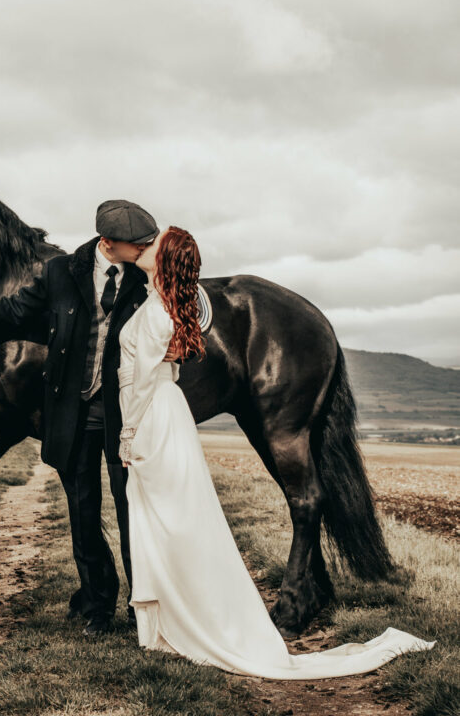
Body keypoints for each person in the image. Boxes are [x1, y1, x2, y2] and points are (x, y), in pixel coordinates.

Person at [117, 225, 436, 679]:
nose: (144, 245)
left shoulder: (158, 311)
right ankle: (181, 613)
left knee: (171, 516)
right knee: (168, 516)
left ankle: (196, 615)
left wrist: (127, 435)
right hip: (163, 413)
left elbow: (144, 378)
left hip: (153, 414)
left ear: (165, 259)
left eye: (153, 244)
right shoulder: (160, 302)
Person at [0, 199, 177, 637]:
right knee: (83, 514)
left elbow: (189, 307)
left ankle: (143, 607)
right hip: (75, 415)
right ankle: (98, 606)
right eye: (137, 244)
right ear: (108, 243)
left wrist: (181, 344)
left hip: (125, 414)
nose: (145, 249)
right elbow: (10, 310)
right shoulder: (61, 272)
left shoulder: (146, 276)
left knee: (131, 512)